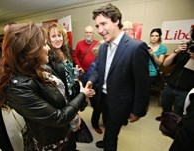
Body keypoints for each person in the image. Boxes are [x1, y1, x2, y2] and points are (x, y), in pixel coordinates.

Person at [0, 23, 95, 151]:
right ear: (30, 51)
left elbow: (62, 93)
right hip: (52, 140)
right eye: (44, 44)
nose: (48, 48)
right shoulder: (18, 88)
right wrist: (82, 95)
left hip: (65, 131)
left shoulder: (42, 67)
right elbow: (58, 117)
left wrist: (74, 113)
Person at [88, 3, 150, 150]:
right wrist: (91, 81)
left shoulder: (136, 47)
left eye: (103, 23)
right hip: (102, 99)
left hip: (120, 103)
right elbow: (99, 70)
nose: (100, 30)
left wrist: (138, 111)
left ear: (116, 20)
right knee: (108, 126)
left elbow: (142, 84)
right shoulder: (103, 47)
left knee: (111, 136)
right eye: (97, 26)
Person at [47, 23, 81, 150]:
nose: (57, 39)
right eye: (53, 36)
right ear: (48, 39)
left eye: (59, 35)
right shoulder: (48, 58)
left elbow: (69, 75)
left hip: (71, 93)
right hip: (62, 99)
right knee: (65, 132)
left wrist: (75, 74)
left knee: (73, 129)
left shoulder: (65, 51)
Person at [156, 26, 194, 121]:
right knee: (165, 105)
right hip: (170, 85)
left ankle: (174, 127)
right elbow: (165, 63)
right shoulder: (184, 49)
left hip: (185, 89)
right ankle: (165, 121)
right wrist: (176, 51)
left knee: (178, 111)